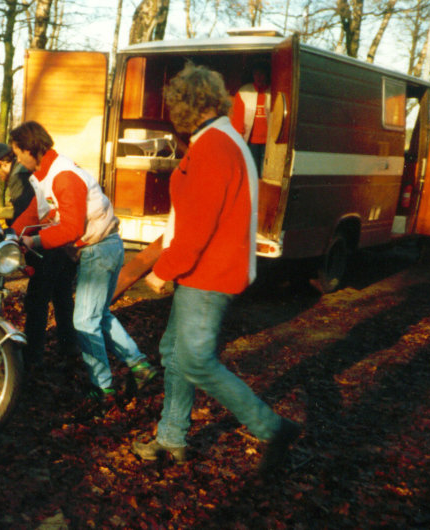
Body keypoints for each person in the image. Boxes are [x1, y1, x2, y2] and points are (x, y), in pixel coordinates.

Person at [131, 64, 300, 474]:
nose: (174, 114)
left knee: (195, 361)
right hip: (203, 271)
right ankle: (172, 437)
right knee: (174, 352)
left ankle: (273, 428)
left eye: (175, 106)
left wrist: (163, 270)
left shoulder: (214, 147)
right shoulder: (219, 140)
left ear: (187, 105)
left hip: (209, 274)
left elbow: (197, 227)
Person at [8, 121, 158, 408]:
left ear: (30, 149)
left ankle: (103, 387)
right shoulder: (46, 174)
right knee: (99, 315)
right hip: (103, 247)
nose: (17, 160)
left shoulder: (63, 176)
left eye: (18, 154)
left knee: (84, 320)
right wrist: (10, 233)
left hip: (99, 249)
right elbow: (35, 212)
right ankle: (139, 365)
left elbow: (72, 228)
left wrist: (33, 241)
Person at [0, 142, 77, 371]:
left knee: (37, 301)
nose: (0, 177)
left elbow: (28, 214)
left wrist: (13, 236)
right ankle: (70, 348)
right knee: (62, 297)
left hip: (45, 245)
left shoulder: (19, 177)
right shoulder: (35, 172)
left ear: (1, 164)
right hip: (62, 243)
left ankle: (32, 357)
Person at [230, 60, 270, 175]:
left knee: (265, 173)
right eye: (256, 74)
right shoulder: (244, 92)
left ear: (266, 75)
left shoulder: (273, 91)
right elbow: (237, 119)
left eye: (262, 74)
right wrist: (238, 139)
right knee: (252, 173)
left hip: (268, 143)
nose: (259, 77)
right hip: (251, 143)